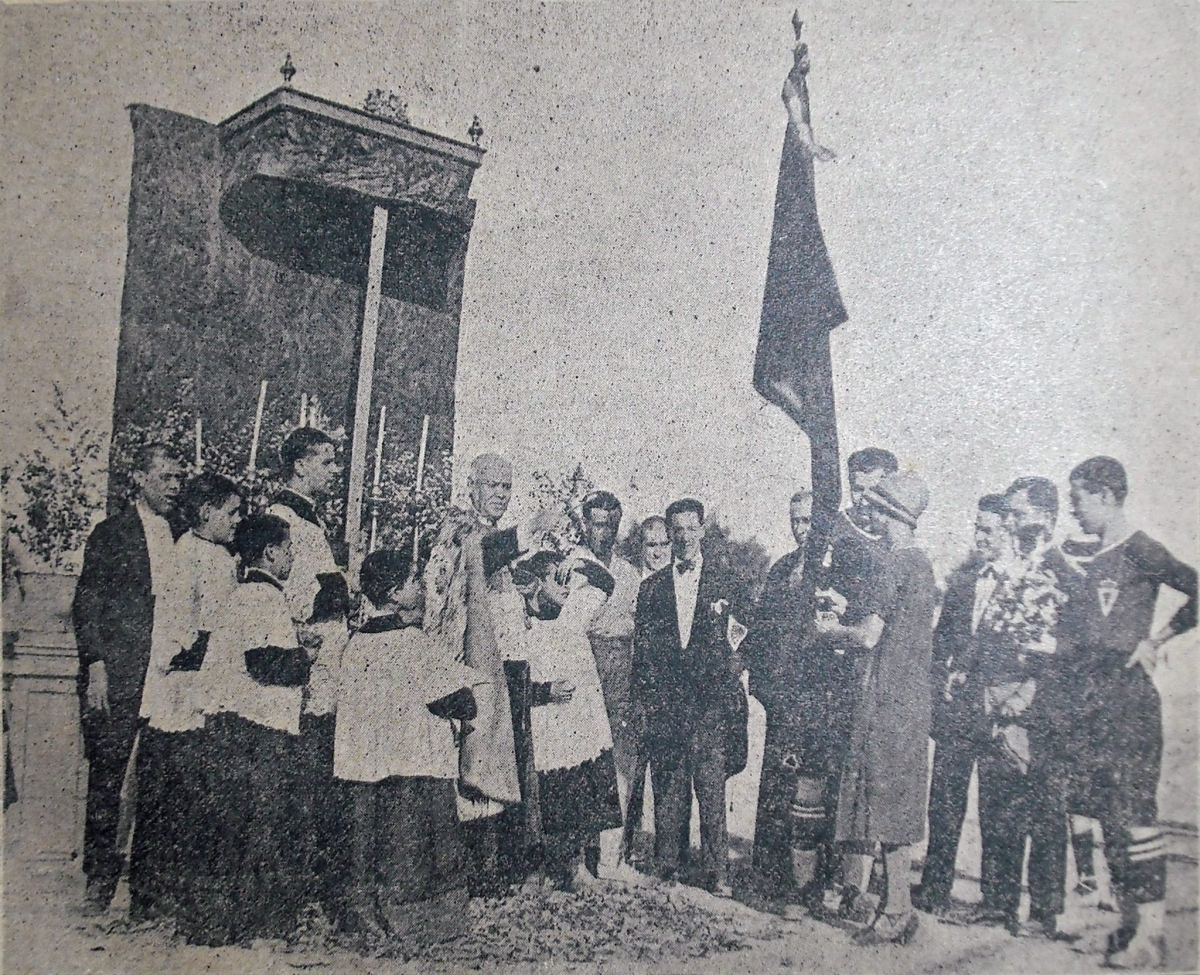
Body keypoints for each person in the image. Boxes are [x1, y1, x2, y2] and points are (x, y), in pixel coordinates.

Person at [1054, 457, 1196, 969]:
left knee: (1136, 817)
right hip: (1093, 703)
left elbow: (1197, 588)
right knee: (1109, 816)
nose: (1074, 512)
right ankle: (1126, 926)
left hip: (1130, 702)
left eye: (1079, 501)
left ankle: (1152, 936)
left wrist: (1157, 639)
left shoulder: (1142, 549)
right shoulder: (1092, 557)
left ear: (1107, 496)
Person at [334, 549, 481, 944]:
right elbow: (459, 701)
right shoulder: (413, 643)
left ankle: (366, 913)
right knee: (415, 846)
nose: (421, 587)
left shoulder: (357, 645)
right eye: (415, 581)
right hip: (416, 762)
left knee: (371, 842)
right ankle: (419, 923)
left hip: (366, 767)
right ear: (397, 592)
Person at [814, 471, 936, 945]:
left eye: (878, 510)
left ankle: (896, 910)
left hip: (884, 696)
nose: (872, 516)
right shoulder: (922, 565)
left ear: (890, 516)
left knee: (882, 800)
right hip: (910, 697)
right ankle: (896, 906)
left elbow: (868, 635)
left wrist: (831, 630)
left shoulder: (893, 564)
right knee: (898, 800)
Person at [187, 513, 313, 946]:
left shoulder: (242, 594)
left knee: (229, 826)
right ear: (272, 553)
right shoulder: (262, 597)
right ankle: (252, 923)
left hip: (232, 725)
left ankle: (216, 924)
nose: (293, 557)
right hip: (254, 730)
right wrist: (306, 657)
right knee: (257, 824)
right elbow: (265, 663)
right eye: (290, 549)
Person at [72, 443, 186, 914]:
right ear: (140, 478)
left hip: (167, 676)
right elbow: (88, 603)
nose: (174, 487)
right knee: (108, 778)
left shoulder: (184, 534)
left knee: (160, 781)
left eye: (179, 478)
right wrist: (95, 664)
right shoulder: (111, 533)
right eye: (165, 477)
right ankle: (99, 879)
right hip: (117, 675)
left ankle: (149, 889)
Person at [129, 472, 244, 922]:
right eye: (231, 513)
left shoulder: (215, 555)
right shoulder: (192, 556)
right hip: (181, 691)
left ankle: (174, 896)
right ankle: (154, 899)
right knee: (172, 799)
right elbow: (188, 633)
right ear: (205, 513)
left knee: (190, 800)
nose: (237, 521)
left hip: (200, 687)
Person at [971, 479, 1075, 938]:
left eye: (1016, 514)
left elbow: (1067, 651)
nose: (1009, 522)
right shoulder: (1011, 569)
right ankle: (997, 900)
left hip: (1043, 711)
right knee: (997, 804)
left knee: (1046, 810)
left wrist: (1026, 695)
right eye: (1008, 515)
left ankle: (1044, 911)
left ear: (1044, 517)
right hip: (999, 703)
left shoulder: (1064, 571)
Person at [631, 498, 743, 896]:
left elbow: (743, 638)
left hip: (708, 704)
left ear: (702, 530)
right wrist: (647, 702)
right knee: (669, 784)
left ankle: (717, 871)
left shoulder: (727, 580)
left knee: (711, 787)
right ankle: (668, 863)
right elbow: (643, 654)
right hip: (668, 705)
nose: (682, 537)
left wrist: (726, 681)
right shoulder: (651, 588)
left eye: (689, 528)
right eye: (675, 529)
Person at [806, 447, 896, 913]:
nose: (865, 498)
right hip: (832, 670)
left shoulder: (896, 542)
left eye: (875, 488)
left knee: (868, 780)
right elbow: (813, 586)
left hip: (876, 675)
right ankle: (821, 880)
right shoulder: (835, 527)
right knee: (825, 774)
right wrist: (827, 602)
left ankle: (866, 882)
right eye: (858, 487)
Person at [913, 493, 1009, 917]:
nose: (980, 536)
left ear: (1008, 532)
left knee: (996, 807)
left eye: (988, 529)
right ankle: (934, 890)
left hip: (998, 714)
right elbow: (940, 643)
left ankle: (997, 899)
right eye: (977, 527)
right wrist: (939, 688)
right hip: (957, 713)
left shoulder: (1020, 584)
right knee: (945, 803)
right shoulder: (963, 581)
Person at [268, 427, 350, 921]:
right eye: (326, 461)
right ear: (299, 465)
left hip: (328, 658)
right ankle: (297, 884)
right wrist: (344, 584)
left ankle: (313, 880)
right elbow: (303, 593)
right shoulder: (284, 519)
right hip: (309, 656)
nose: (334, 470)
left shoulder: (310, 519)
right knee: (304, 770)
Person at [516, 551, 622, 890]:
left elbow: (606, 582)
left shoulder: (575, 612)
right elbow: (513, 680)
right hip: (545, 723)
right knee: (546, 797)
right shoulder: (523, 625)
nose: (565, 586)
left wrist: (578, 563)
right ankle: (541, 869)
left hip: (581, 722)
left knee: (581, 793)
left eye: (566, 579)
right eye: (555, 579)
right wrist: (544, 692)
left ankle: (576, 868)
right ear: (534, 585)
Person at [744, 490, 816, 903]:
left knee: (810, 789)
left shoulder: (831, 569)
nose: (800, 529)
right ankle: (769, 870)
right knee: (777, 780)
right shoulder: (781, 569)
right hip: (784, 696)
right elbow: (763, 627)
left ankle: (807, 878)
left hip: (816, 698)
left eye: (807, 520)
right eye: (795, 520)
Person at [572, 491, 642, 874]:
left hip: (619, 672)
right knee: (583, 762)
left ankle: (613, 856)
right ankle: (580, 857)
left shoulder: (629, 572)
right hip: (583, 669)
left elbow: (636, 625)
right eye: (596, 524)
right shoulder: (572, 565)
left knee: (620, 760)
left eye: (610, 525)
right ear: (585, 524)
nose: (603, 533)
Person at [621, 514, 673, 866]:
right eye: (650, 545)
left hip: (668, 692)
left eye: (662, 545)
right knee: (631, 771)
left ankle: (669, 852)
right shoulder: (630, 582)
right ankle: (624, 846)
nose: (656, 552)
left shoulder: (680, 583)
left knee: (669, 774)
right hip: (634, 686)